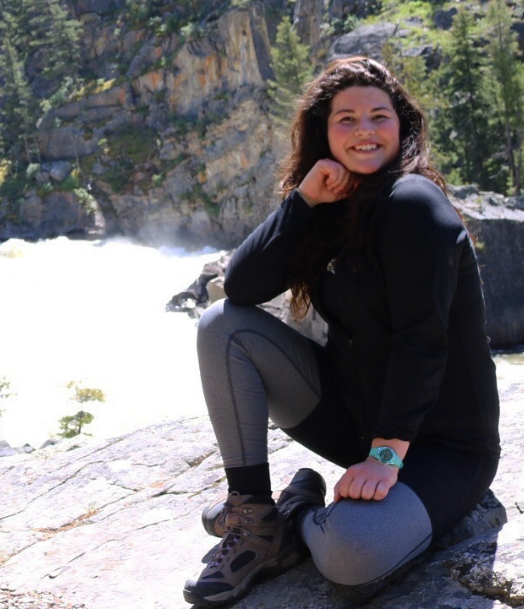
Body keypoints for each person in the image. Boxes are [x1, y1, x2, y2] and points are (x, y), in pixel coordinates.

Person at [183, 56, 500, 606]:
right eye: (345, 120)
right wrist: (302, 202)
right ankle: (254, 517)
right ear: (322, 132)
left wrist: (386, 454)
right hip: (355, 419)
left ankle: (295, 512)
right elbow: (241, 288)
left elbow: (423, 340)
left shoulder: (414, 204)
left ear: (401, 127)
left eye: (379, 116)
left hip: (443, 446)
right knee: (222, 327)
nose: (364, 131)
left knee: (350, 557)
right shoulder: (333, 205)